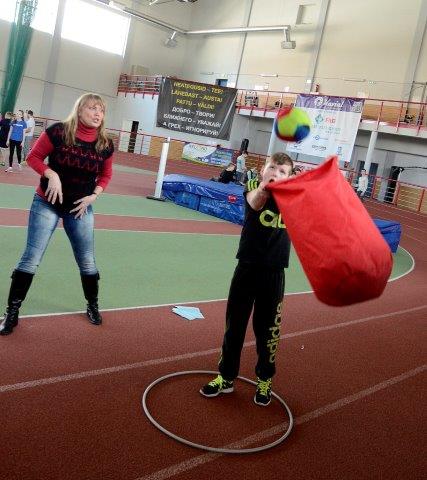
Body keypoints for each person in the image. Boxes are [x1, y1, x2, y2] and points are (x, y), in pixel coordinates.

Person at [0, 93, 114, 336]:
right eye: (92, 108)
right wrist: (51, 174)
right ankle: (12, 312)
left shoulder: (105, 143)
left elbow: (106, 175)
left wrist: (94, 196)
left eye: (101, 110)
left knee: (87, 261)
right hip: (47, 203)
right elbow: (33, 157)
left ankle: (92, 305)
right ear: (80, 110)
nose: (97, 114)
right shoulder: (58, 132)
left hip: (79, 207)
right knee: (31, 258)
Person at [200, 152, 294, 406]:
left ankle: (265, 379)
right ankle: (226, 377)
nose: (275, 173)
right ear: (263, 170)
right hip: (247, 268)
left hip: (274, 272)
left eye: (282, 172)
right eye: (272, 168)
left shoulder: (295, 197)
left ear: (289, 177)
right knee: (235, 327)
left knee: (268, 332)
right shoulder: (253, 185)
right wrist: (266, 187)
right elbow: (255, 203)